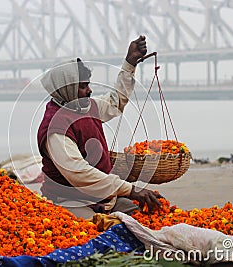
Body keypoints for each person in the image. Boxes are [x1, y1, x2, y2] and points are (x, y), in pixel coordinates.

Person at [37, 35, 162, 219]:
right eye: (82, 86)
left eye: (88, 85)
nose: (89, 90)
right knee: (98, 230)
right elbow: (79, 173)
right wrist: (131, 189)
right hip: (68, 200)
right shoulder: (55, 127)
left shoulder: (86, 106)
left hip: (103, 197)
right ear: (67, 89)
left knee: (143, 215)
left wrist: (129, 64)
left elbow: (115, 101)